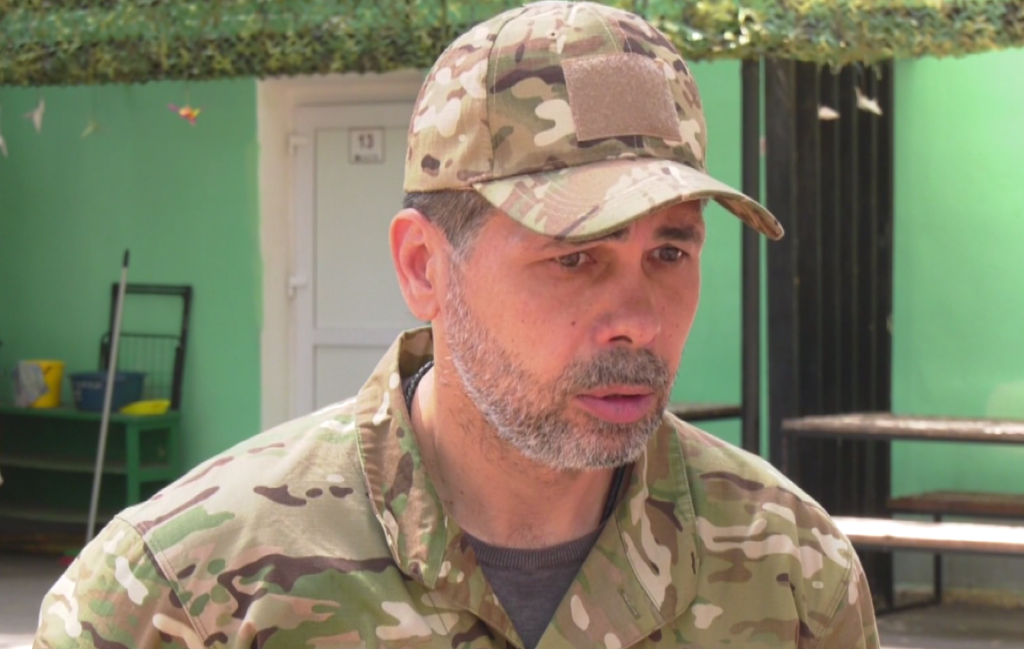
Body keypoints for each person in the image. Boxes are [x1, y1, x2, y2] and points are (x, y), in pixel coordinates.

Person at [34, 2, 879, 648]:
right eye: (574, 257)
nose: (636, 322)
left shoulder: (790, 572)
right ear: (423, 268)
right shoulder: (184, 594)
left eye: (669, 251)